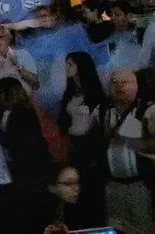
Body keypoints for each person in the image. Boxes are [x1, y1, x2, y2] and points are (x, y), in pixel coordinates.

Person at [97, 68, 155, 231]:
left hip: (141, 185)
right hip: (112, 185)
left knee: (143, 227)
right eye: (114, 82)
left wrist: (133, 140)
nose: (119, 86)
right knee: (115, 227)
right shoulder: (102, 112)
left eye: (125, 82)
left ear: (136, 85)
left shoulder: (149, 110)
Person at [58, 51, 106, 211]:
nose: (67, 67)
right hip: (74, 143)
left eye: (70, 64)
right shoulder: (71, 92)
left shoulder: (94, 93)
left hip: (90, 144)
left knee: (90, 186)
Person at [0, 77, 51, 185]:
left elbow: (12, 141)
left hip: (27, 164)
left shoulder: (18, 114)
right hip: (34, 161)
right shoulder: (25, 110)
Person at [32, 165, 105, 232]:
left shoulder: (86, 210)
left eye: (77, 182)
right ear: (52, 187)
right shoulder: (39, 211)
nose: (76, 188)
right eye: (68, 183)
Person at [0, 25, 39, 102]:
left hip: (24, 103)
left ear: (9, 38)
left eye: (0, 37)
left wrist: (18, 66)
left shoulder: (24, 55)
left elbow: (36, 84)